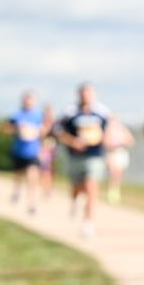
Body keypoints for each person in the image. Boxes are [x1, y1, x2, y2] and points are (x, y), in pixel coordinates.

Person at [56, 83, 110, 238]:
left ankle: (88, 223)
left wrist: (105, 140)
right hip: (75, 156)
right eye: (84, 92)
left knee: (91, 186)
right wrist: (72, 141)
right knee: (77, 187)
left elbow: (110, 129)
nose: (86, 95)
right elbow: (59, 131)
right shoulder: (70, 112)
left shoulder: (102, 112)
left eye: (89, 92)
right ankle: (75, 200)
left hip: (94, 156)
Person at [5, 91, 44, 215]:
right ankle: (17, 191)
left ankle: (31, 203)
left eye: (31, 100)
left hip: (33, 151)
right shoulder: (16, 115)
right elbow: (7, 129)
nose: (28, 102)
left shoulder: (38, 115)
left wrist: (37, 132)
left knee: (32, 177)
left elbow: (44, 130)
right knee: (19, 175)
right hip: (19, 150)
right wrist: (18, 128)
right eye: (26, 100)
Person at [104, 116, 136, 204]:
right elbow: (105, 143)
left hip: (122, 153)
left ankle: (116, 191)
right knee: (113, 173)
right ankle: (111, 192)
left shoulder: (123, 129)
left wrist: (123, 142)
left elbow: (131, 141)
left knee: (120, 174)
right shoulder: (108, 130)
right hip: (112, 153)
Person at [38, 104, 57, 200]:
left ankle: (48, 189)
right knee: (44, 170)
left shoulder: (55, 124)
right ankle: (44, 189)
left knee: (49, 171)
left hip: (52, 150)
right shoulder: (41, 123)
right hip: (43, 149)